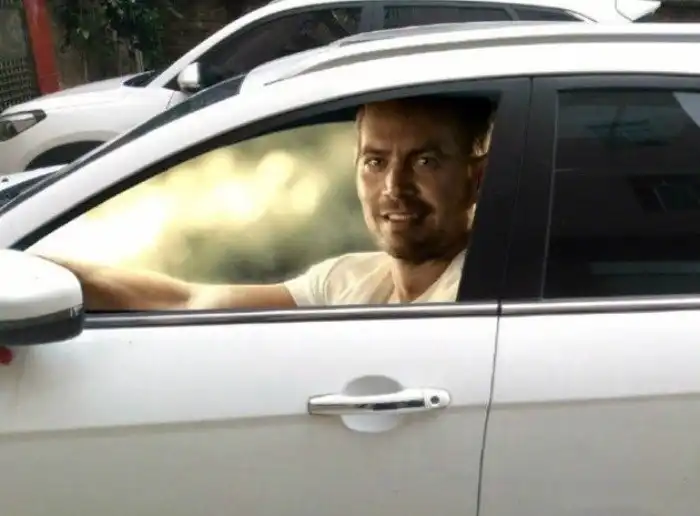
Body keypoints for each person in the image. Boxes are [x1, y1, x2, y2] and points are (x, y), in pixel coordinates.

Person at [43, 95, 494, 311]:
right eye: (375, 162)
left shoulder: (482, 290)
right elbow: (190, 300)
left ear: (476, 178)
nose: (394, 186)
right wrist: (39, 271)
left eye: (425, 161)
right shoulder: (348, 281)